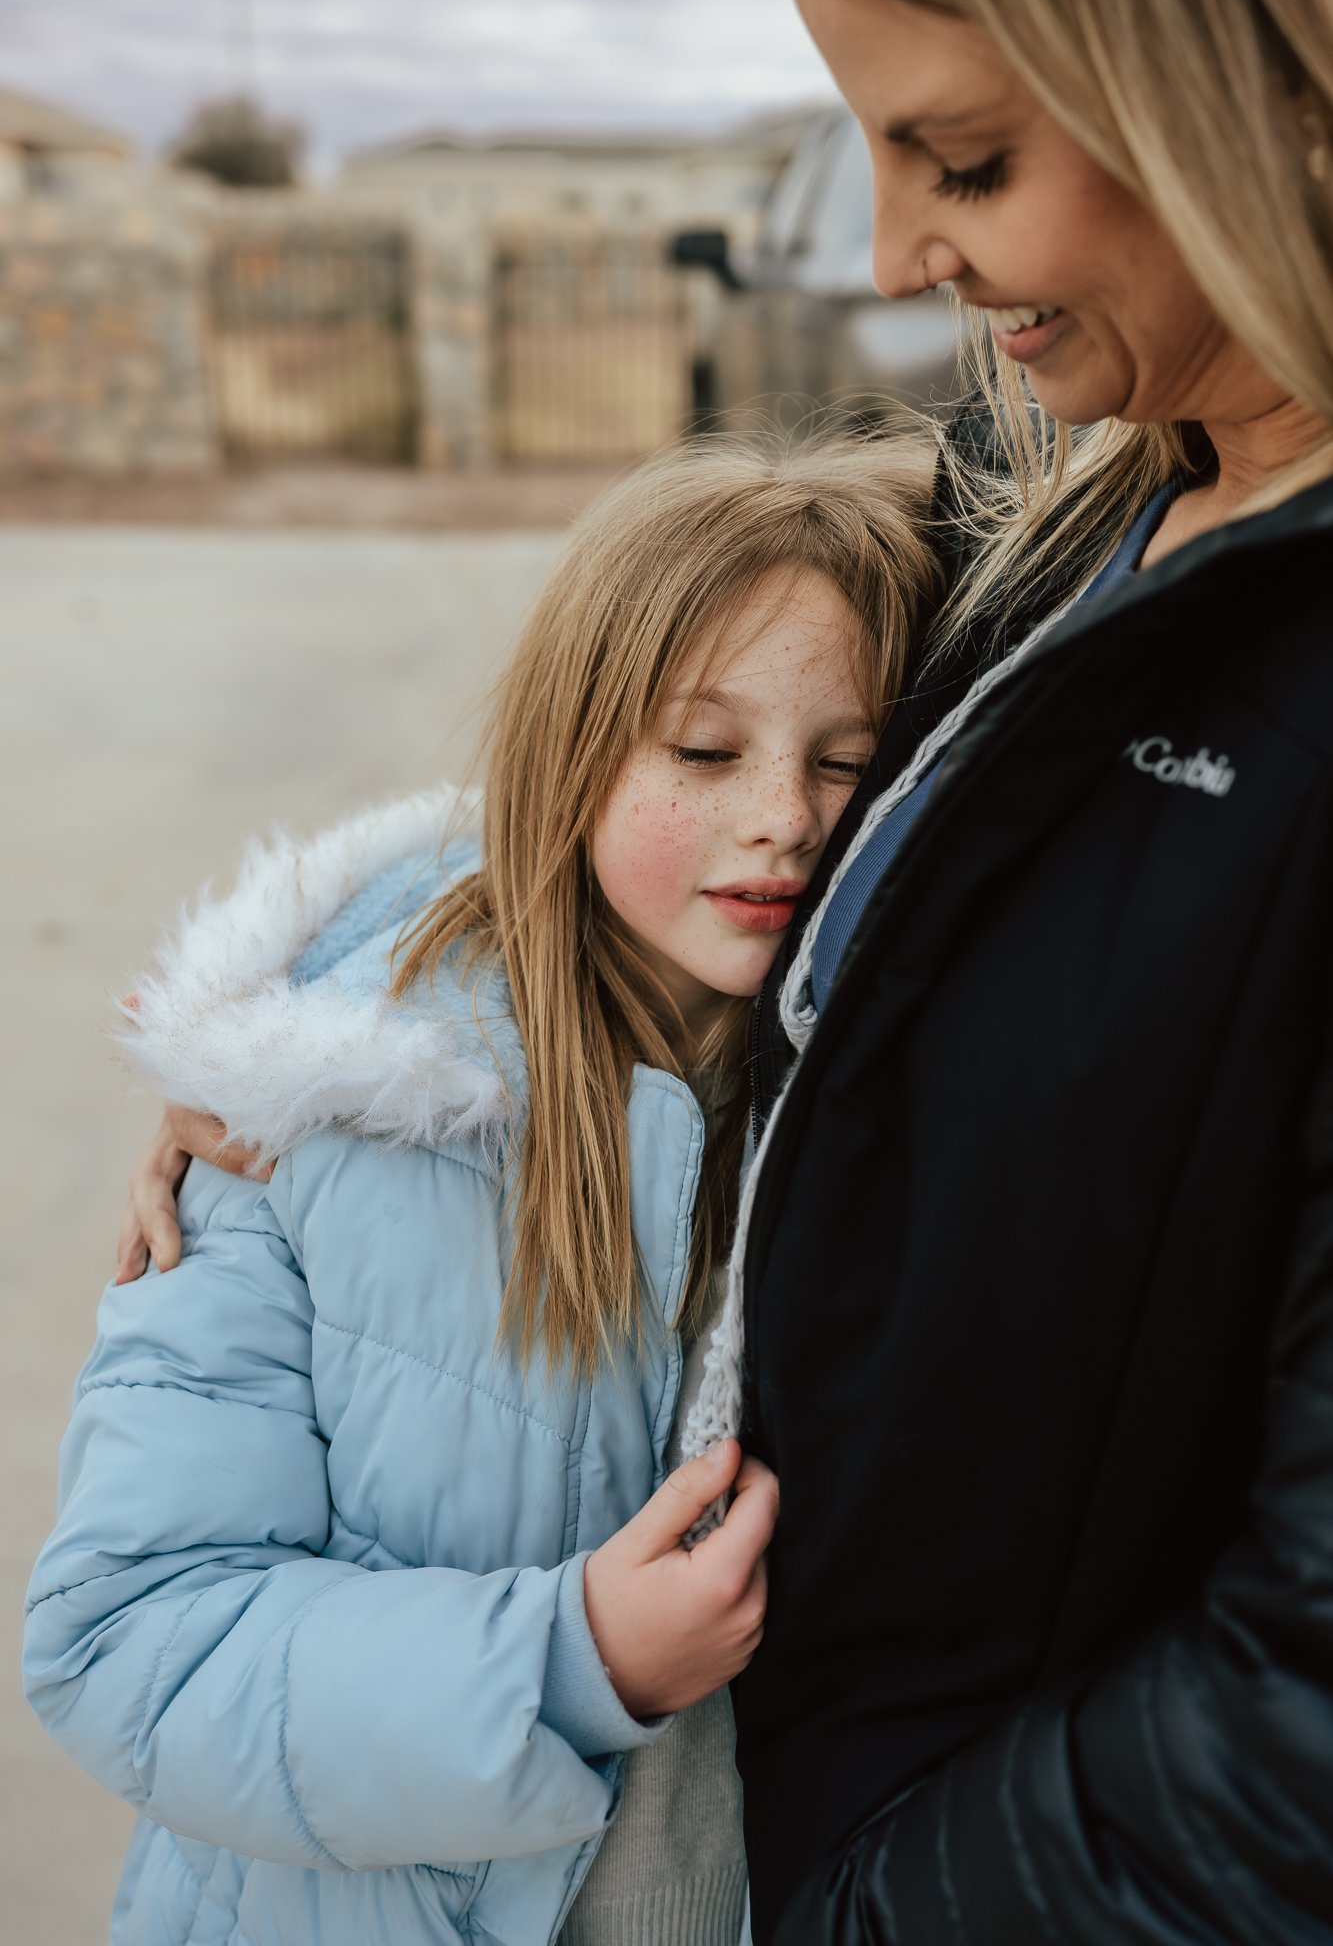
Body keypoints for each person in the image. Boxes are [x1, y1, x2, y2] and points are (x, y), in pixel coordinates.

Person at [22, 434, 939, 1946]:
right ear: (571, 748)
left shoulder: (915, 1101)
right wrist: (567, 1663)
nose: (783, 813)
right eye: (703, 753)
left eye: (844, 762)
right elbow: (129, 1642)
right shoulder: (311, 1118)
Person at [686, 0, 1333, 1941]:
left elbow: (1299, 1721)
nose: (894, 259)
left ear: (1252, 99)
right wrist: (360, 1039)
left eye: (959, 163)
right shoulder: (1097, 504)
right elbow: (704, 817)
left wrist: (870, 1904)